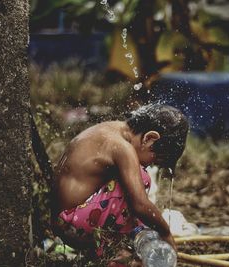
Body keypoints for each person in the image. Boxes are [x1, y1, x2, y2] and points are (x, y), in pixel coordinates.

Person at [50, 103, 189, 263]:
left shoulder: (113, 129)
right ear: (149, 138)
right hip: (72, 226)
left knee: (131, 184)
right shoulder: (123, 148)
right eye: (155, 159)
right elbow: (140, 205)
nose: (151, 165)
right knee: (141, 178)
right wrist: (165, 233)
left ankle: (118, 246)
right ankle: (109, 254)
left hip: (65, 221)